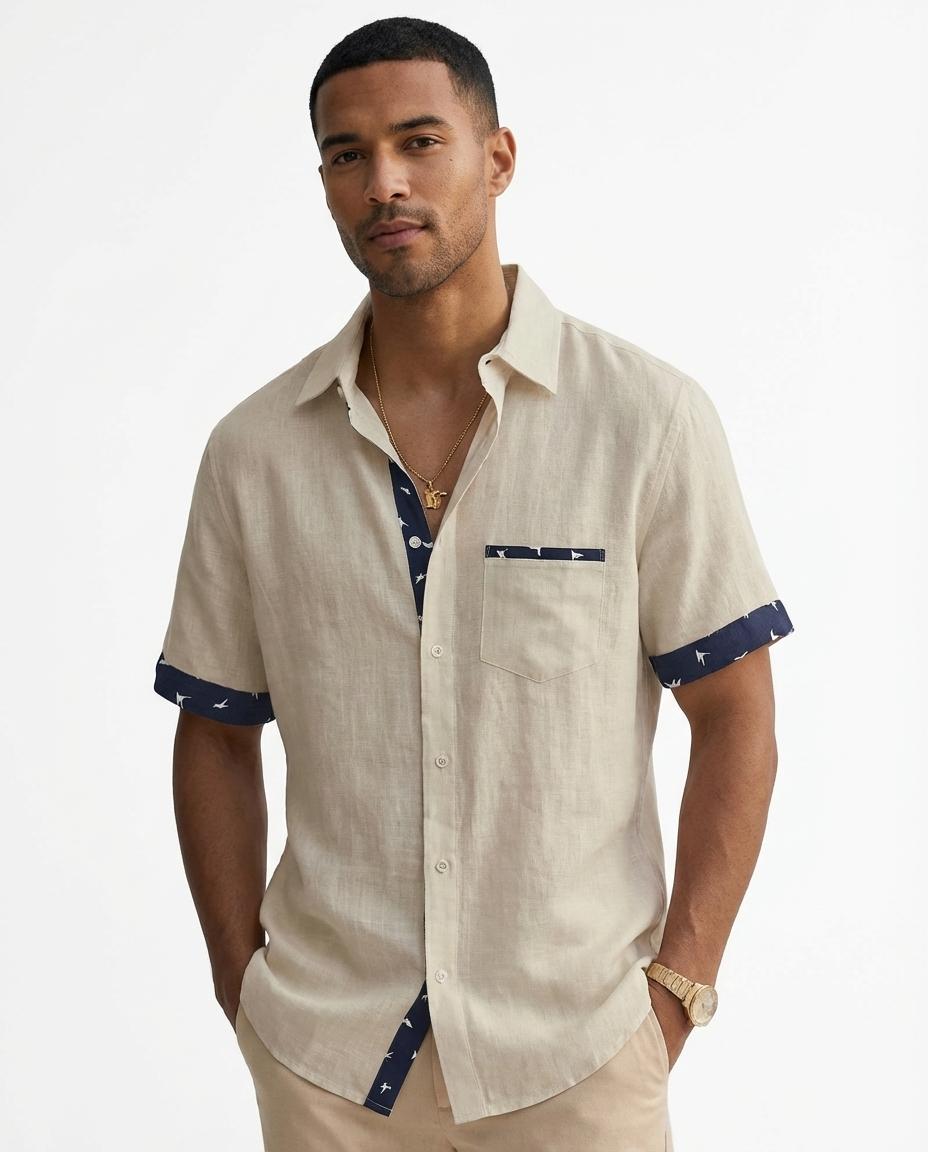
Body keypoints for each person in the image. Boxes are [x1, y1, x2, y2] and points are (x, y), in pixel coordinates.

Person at [156, 17, 792, 1151]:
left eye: (419, 141)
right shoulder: (255, 453)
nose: (384, 183)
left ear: (497, 158)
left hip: (577, 1056)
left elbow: (735, 709)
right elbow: (214, 728)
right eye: (347, 154)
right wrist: (241, 988)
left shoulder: (642, 420)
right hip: (328, 1063)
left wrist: (674, 993)